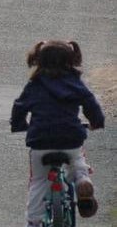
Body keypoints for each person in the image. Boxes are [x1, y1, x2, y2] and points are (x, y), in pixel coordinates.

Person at [10, 40, 105, 227]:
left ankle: (34, 222)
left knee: (38, 181)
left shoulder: (35, 84)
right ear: (71, 60)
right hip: (70, 138)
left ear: (39, 60)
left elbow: (19, 106)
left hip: (40, 141)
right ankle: (82, 180)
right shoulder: (75, 82)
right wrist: (96, 122)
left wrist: (20, 125)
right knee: (78, 162)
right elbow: (90, 103)